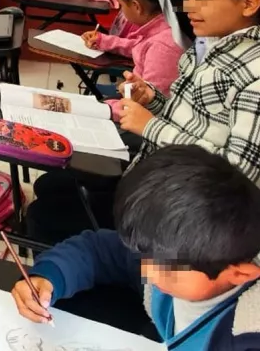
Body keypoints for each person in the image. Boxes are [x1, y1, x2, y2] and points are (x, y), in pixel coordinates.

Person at [26, 0, 260, 244]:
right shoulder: (212, 46)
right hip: (156, 182)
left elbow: (239, 172)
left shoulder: (254, 74)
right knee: (50, 189)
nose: (188, 7)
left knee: (45, 216)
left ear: (248, 4)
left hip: (185, 214)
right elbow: (193, 118)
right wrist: (153, 99)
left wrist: (150, 125)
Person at [13, 146, 260, 349]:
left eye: (169, 272)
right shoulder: (168, 254)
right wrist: (50, 278)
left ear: (239, 274)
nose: (148, 272)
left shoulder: (245, 335)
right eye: (145, 257)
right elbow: (99, 250)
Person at [81, 0, 193, 121]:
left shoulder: (164, 46)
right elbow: (139, 47)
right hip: (132, 104)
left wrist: (106, 108)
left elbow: (149, 107)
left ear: (136, 6)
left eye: (121, 4)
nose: (121, 10)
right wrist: (104, 41)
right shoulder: (161, 28)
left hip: (143, 122)